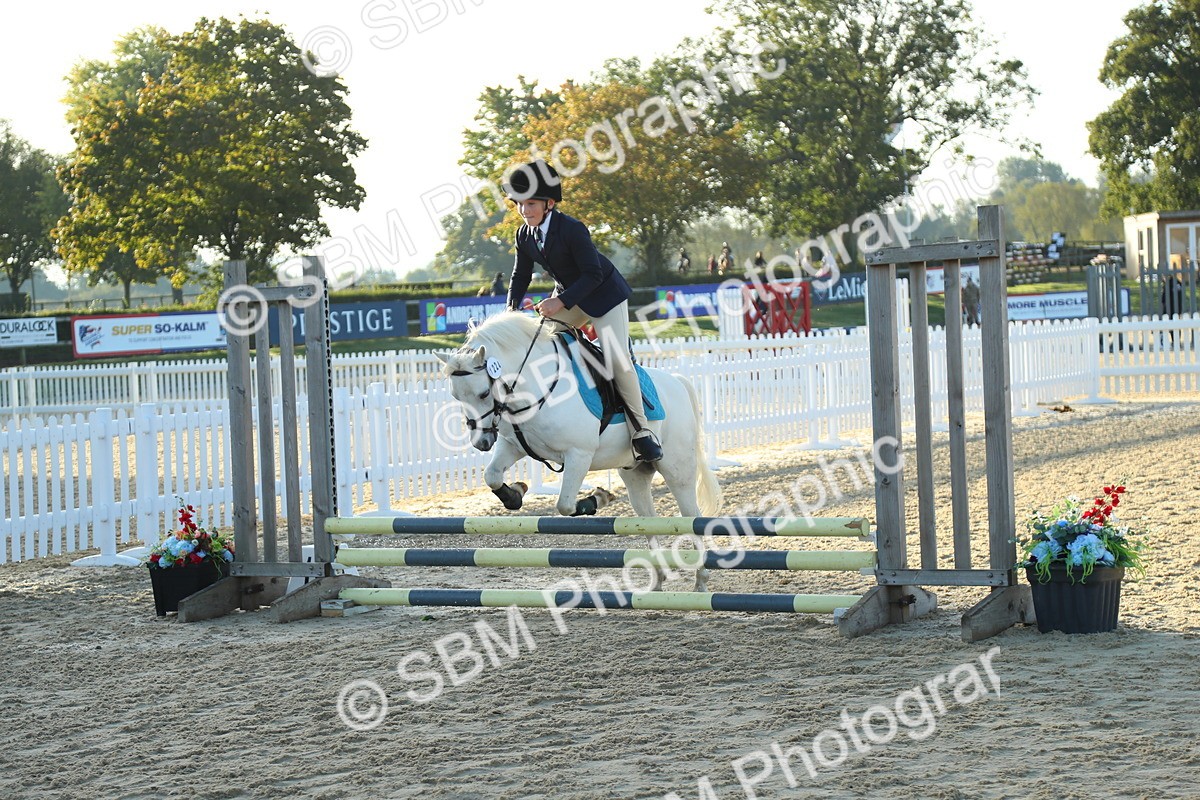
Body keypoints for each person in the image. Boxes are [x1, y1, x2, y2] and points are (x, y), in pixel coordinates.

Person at [501, 159, 662, 463]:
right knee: (540, 342)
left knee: (616, 358)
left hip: (604, 296)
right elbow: (520, 276)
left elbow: (593, 275)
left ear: (549, 202)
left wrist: (559, 303)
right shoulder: (524, 235)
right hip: (570, 296)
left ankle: (642, 431)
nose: (524, 210)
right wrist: (511, 309)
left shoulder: (572, 229)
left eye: (531, 203)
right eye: (519, 204)